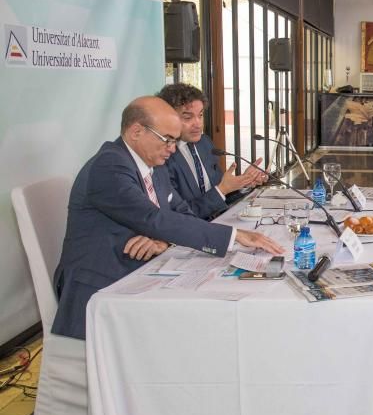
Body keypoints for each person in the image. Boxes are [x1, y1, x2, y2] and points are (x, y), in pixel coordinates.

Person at [51, 97, 284, 340]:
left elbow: (181, 213)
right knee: (193, 325)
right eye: (168, 140)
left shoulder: (153, 164)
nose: (173, 149)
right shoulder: (109, 166)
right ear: (136, 132)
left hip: (137, 268)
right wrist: (235, 236)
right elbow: (152, 218)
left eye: (175, 141)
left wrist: (165, 242)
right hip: (100, 287)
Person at [157, 84, 268, 220]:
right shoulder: (162, 155)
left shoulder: (204, 142)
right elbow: (177, 216)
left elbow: (221, 195)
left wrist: (242, 183)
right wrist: (222, 189)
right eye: (188, 118)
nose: (197, 123)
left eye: (201, 115)